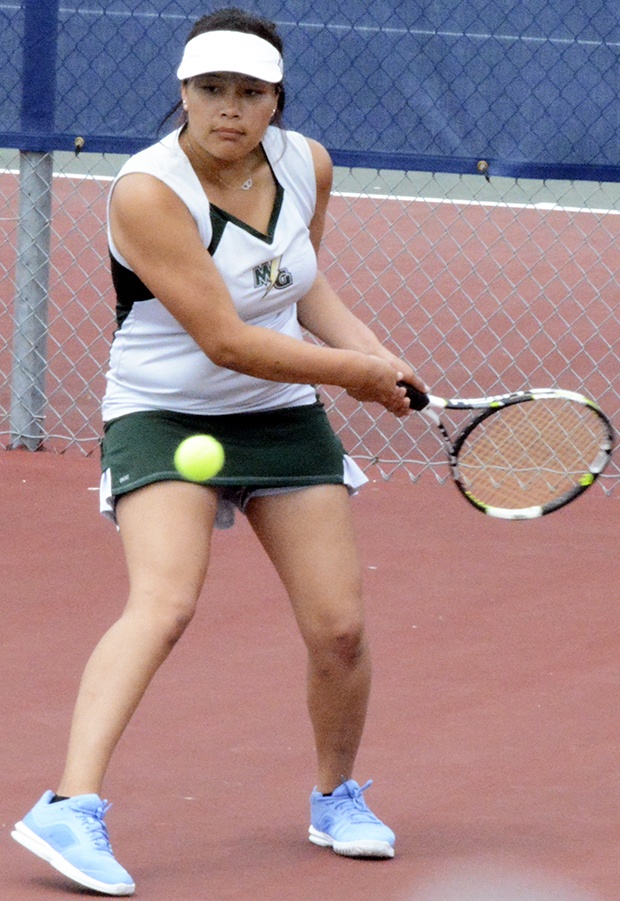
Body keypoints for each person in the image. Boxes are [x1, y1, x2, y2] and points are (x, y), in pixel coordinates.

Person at [11, 8, 425, 896]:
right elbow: (227, 339)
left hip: (279, 412)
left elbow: (300, 289)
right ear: (183, 93)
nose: (229, 108)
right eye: (210, 89)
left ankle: (336, 797)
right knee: (163, 601)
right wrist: (354, 373)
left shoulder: (306, 165)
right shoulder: (148, 191)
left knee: (340, 627)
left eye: (249, 91)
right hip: (162, 411)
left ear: (277, 100)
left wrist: (375, 354)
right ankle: (69, 806)